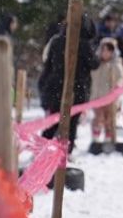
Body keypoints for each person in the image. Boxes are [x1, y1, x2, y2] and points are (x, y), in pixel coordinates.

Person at [38, 15, 99, 153]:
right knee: (70, 125)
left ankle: (41, 150)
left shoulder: (57, 41)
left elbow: (48, 66)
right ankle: (65, 153)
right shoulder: (84, 45)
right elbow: (94, 64)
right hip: (76, 89)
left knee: (52, 122)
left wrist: (45, 86)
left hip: (55, 88)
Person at [89, 38, 123, 148]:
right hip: (96, 96)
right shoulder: (96, 64)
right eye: (103, 50)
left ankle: (108, 138)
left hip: (109, 97)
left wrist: (117, 89)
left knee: (109, 118)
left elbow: (120, 79)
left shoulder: (115, 65)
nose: (105, 53)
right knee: (98, 117)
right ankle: (95, 139)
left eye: (108, 50)